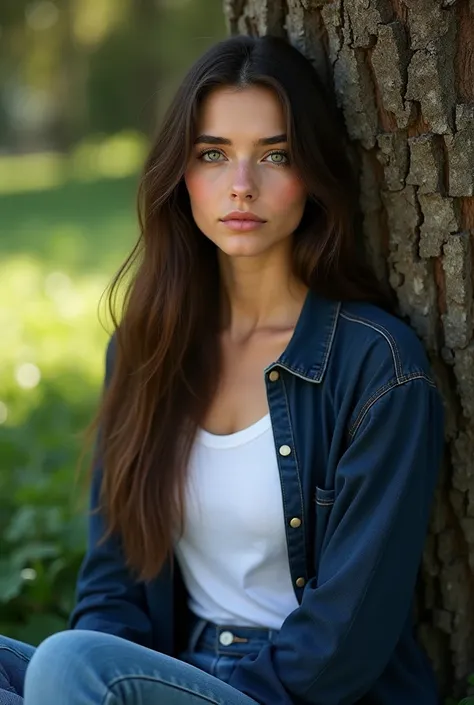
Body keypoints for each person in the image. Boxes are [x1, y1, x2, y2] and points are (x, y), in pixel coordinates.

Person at [0, 34, 444, 705]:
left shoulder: (378, 366)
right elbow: (111, 589)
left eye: (275, 154)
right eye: (214, 154)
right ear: (181, 173)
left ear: (313, 174)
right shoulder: (146, 350)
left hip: (298, 693)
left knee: (68, 667)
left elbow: (347, 636)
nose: (242, 185)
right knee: (58, 663)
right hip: (172, 676)